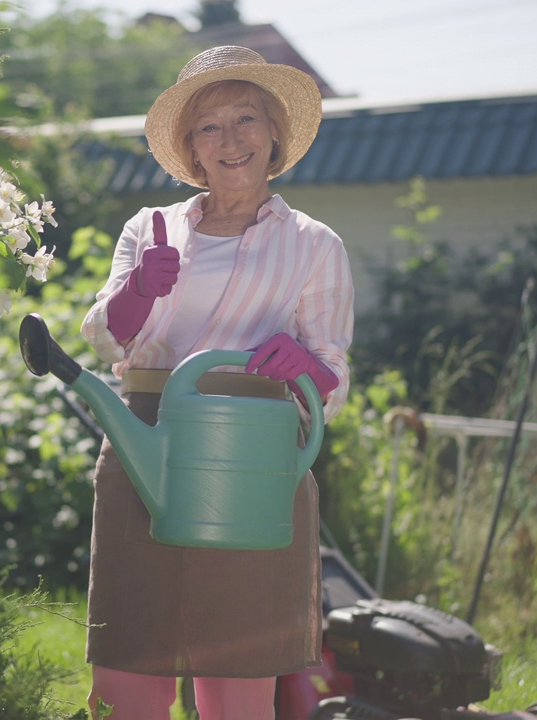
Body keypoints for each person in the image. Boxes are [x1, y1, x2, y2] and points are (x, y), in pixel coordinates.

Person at [79, 45, 355, 720]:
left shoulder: (316, 245)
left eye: (247, 119)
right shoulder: (150, 229)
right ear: (191, 150)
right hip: (149, 447)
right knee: (128, 673)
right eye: (210, 127)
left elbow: (334, 380)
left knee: (237, 683)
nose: (231, 140)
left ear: (275, 136)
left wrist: (306, 367)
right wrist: (140, 289)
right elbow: (105, 334)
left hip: (252, 463)